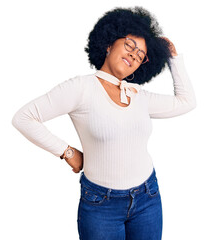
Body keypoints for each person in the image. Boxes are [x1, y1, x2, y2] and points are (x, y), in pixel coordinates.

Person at [12, 6, 197, 240]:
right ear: (109, 44)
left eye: (140, 55)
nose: (133, 54)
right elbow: (24, 117)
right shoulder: (80, 88)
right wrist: (67, 152)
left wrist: (173, 58)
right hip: (101, 205)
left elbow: (186, 102)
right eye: (129, 45)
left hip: (148, 198)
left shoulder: (138, 95)